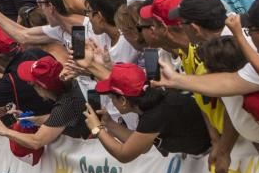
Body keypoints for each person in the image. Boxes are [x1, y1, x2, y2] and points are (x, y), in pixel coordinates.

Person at [83, 63, 211, 161]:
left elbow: (124, 154)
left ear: (123, 100)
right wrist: (109, 124)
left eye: (112, 98)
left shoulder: (155, 115)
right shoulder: (152, 105)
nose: (112, 102)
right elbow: (142, 145)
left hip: (214, 152)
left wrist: (97, 129)